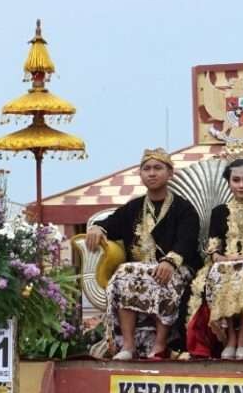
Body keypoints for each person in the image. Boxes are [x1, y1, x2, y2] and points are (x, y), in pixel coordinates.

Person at [83, 147, 202, 360]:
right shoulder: (133, 207)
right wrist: (97, 228)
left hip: (176, 267)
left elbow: (187, 239)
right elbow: (111, 223)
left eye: (158, 168)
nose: (152, 173)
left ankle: (160, 345)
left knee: (163, 276)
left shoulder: (184, 209)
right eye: (146, 169)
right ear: (141, 174)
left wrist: (170, 261)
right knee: (125, 272)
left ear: (170, 173)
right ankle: (128, 346)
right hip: (139, 270)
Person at [190, 157, 243, 360]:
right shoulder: (219, 212)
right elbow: (213, 246)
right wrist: (219, 257)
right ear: (228, 182)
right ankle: (230, 336)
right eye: (236, 180)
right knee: (222, 271)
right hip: (225, 265)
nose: (241, 185)